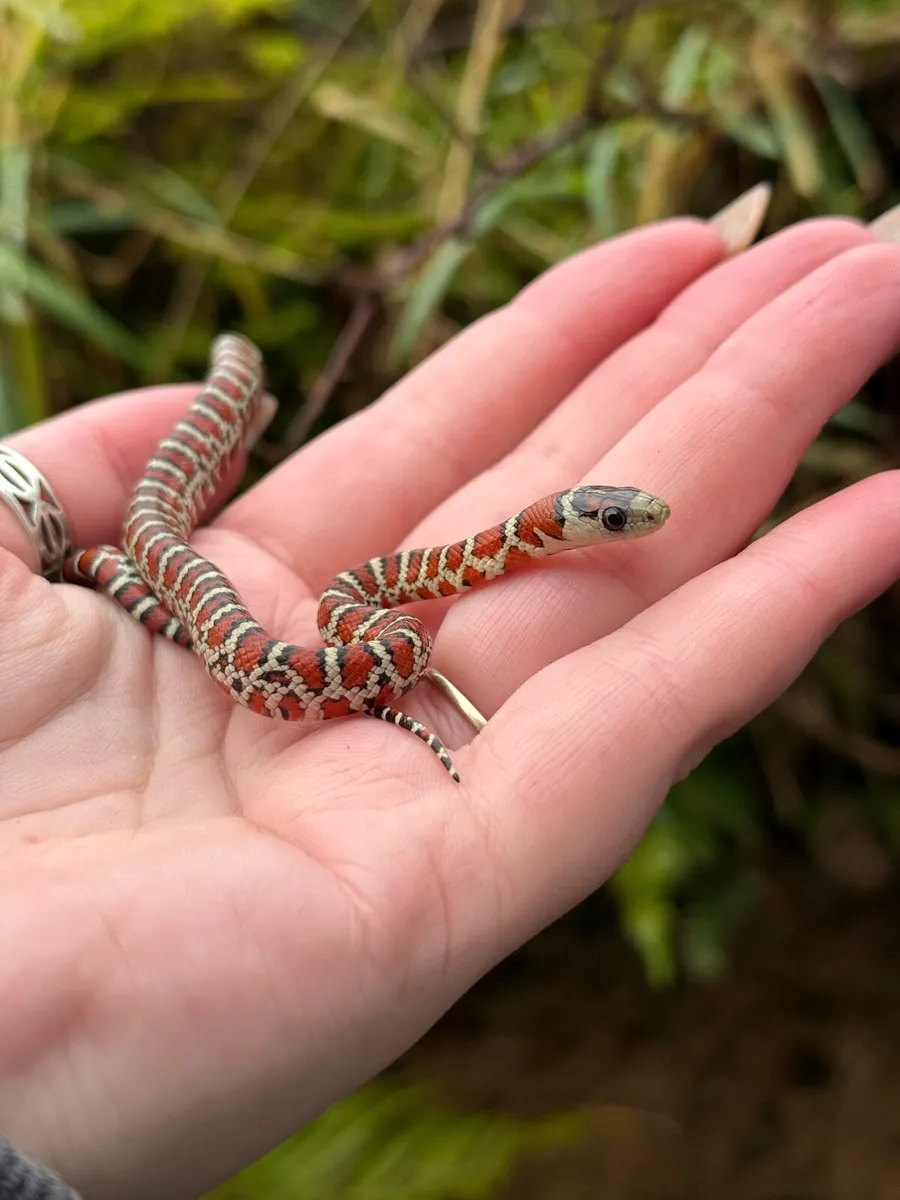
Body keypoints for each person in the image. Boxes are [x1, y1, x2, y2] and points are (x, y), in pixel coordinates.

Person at [2, 191, 900, 1200]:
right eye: (612, 512)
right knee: (158, 520)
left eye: (614, 512)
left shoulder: (406, 589)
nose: (631, 515)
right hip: (233, 606)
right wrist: (217, 393)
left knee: (146, 539)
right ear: (566, 523)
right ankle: (223, 378)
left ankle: (195, 429)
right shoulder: (361, 615)